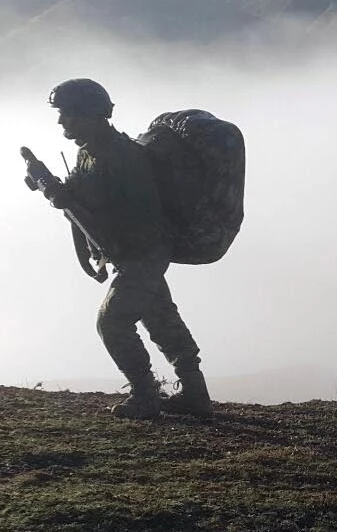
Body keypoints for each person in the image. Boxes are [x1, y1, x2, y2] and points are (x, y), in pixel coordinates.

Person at [42, 78, 213, 419]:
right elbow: (84, 194)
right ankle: (196, 395)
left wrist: (78, 205)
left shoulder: (123, 155)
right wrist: (62, 194)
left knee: (113, 322)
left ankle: (145, 396)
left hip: (142, 251)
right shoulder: (89, 152)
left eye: (67, 114)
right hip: (129, 253)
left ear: (90, 113)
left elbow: (138, 211)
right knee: (162, 319)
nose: (62, 122)